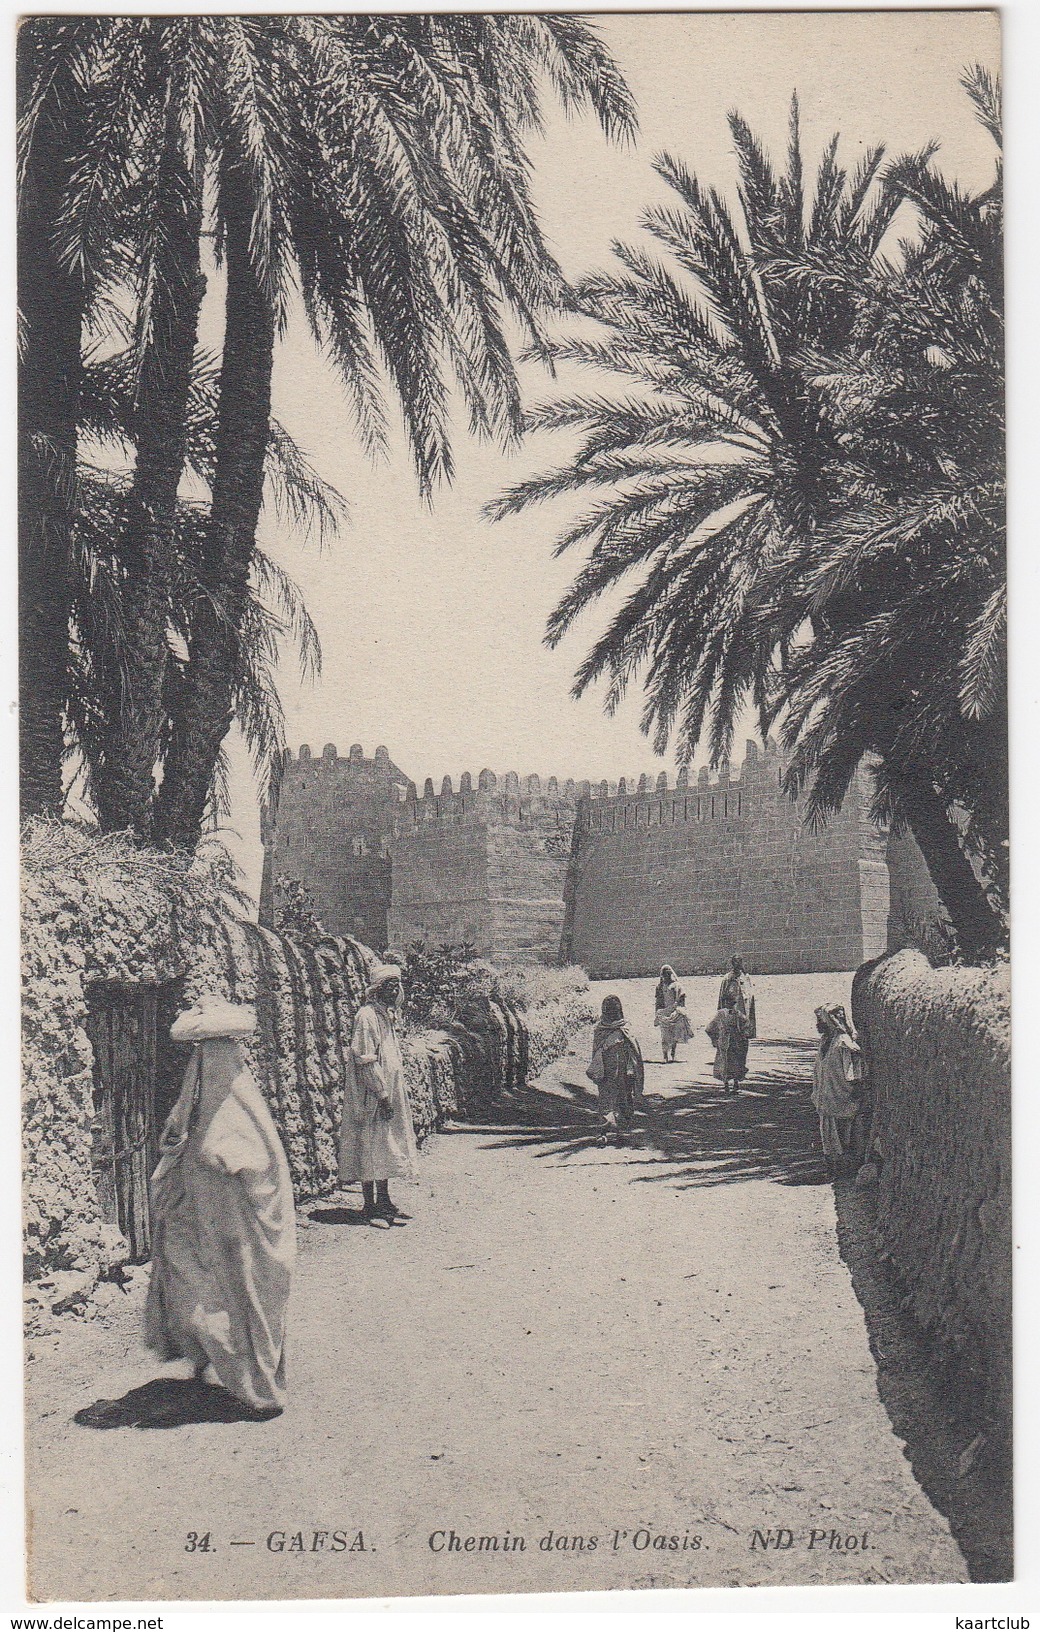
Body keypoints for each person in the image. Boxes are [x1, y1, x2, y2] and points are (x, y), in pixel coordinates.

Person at [144, 995, 296, 1418]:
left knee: (239, 1291)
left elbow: (239, 1158)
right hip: (207, 1219)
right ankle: (213, 1363)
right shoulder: (217, 1104)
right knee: (209, 1287)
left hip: (236, 1229)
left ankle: (256, 1386)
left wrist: (211, 1157)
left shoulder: (234, 1108)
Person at [338, 964, 418, 1225]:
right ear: (377, 989)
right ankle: (370, 1205)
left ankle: (384, 1200)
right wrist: (382, 1094)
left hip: (387, 1091)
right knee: (370, 1144)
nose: (394, 990)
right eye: (389, 986)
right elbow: (365, 1059)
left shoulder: (386, 1015)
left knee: (385, 1144)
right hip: (371, 1094)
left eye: (397, 985)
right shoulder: (366, 1016)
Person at [811, 1004, 867, 1175]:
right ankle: (833, 1167)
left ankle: (843, 1170)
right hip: (827, 1096)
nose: (817, 1024)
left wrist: (853, 1091)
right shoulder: (825, 1041)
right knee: (828, 1134)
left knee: (843, 1134)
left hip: (840, 1096)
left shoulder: (843, 1042)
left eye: (820, 1020)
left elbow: (853, 1072)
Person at [587, 994, 645, 1143]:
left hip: (614, 1072)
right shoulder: (624, 1028)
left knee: (607, 1100)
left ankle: (607, 1132)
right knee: (622, 1099)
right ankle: (614, 1131)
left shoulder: (601, 1029)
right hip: (617, 1072)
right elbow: (634, 1052)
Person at [718, 955, 756, 1080]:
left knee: (743, 1046)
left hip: (743, 1020)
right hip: (731, 1022)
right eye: (735, 962)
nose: (738, 965)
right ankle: (730, 1076)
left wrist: (750, 1024)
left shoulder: (746, 978)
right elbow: (722, 999)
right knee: (731, 1049)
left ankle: (741, 1070)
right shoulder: (727, 979)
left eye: (740, 962)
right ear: (732, 964)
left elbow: (750, 1001)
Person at [654, 965, 694, 1062]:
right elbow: (658, 1001)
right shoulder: (660, 987)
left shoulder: (677, 986)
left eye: (668, 974)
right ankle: (665, 1056)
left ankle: (672, 1054)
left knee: (674, 1036)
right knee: (664, 1036)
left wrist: (678, 1010)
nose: (666, 976)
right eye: (664, 974)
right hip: (663, 1014)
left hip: (674, 1013)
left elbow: (681, 1000)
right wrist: (658, 1013)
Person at [706, 1001, 747, 1094]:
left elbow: (709, 1029)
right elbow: (746, 1024)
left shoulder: (721, 1014)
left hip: (726, 1042)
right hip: (734, 1041)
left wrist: (715, 1039)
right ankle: (734, 1084)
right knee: (735, 1062)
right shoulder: (737, 1013)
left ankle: (727, 1085)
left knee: (725, 1062)